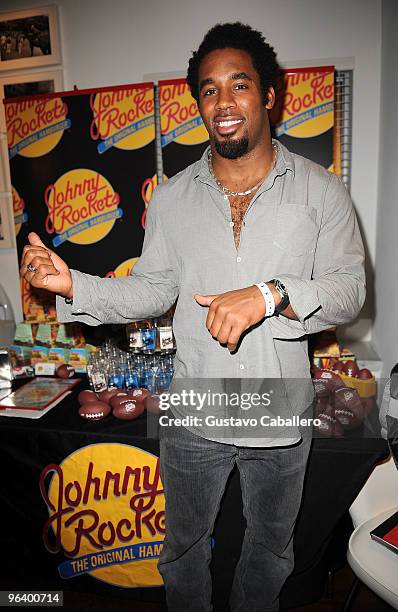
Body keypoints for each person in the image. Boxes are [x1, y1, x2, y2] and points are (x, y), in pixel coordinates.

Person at [21, 22, 365, 612]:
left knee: (268, 548)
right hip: (194, 406)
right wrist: (72, 283)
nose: (224, 102)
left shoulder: (321, 191)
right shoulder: (172, 197)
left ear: (268, 95)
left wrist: (270, 294)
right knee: (180, 550)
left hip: (278, 409)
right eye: (209, 90)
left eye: (239, 85)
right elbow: (153, 291)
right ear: (199, 104)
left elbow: (350, 290)